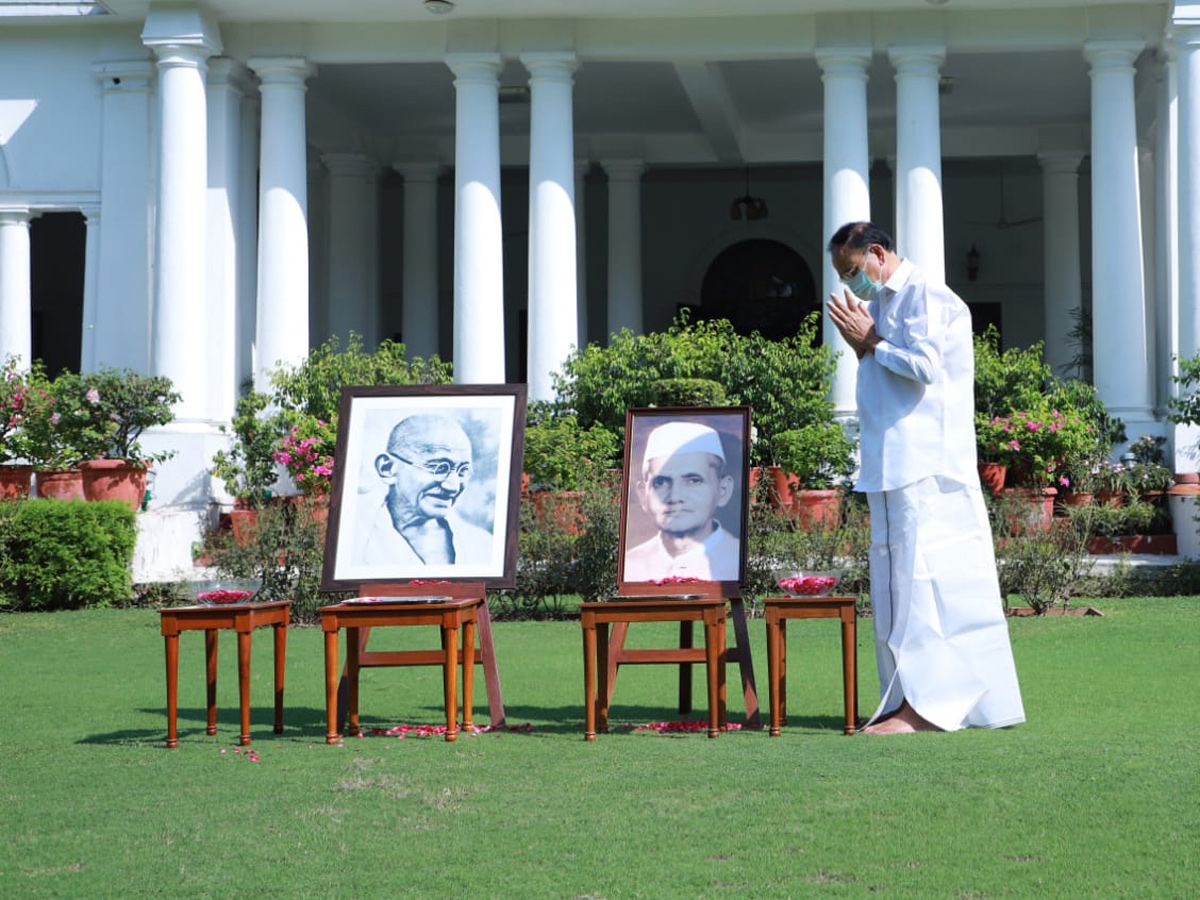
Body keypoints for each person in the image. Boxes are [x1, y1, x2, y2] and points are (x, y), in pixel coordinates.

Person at [826, 221, 1025, 735]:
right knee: (894, 585)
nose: (852, 286)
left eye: (853, 271)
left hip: (925, 464)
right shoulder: (883, 306)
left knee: (924, 582)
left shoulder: (926, 295)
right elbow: (884, 372)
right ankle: (902, 696)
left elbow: (927, 366)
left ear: (876, 252)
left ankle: (926, 708)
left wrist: (871, 343)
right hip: (890, 462)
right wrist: (865, 345)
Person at [354, 413, 493, 567]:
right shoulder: (352, 530)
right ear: (388, 468)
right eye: (438, 468)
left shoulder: (481, 545)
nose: (453, 487)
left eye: (462, 471)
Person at [623, 420, 741, 582]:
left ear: (722, 490)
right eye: (661, 482)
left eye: (693, 480)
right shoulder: (630, 566)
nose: (675, 496)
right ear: (643, 495)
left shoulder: (737, 561)